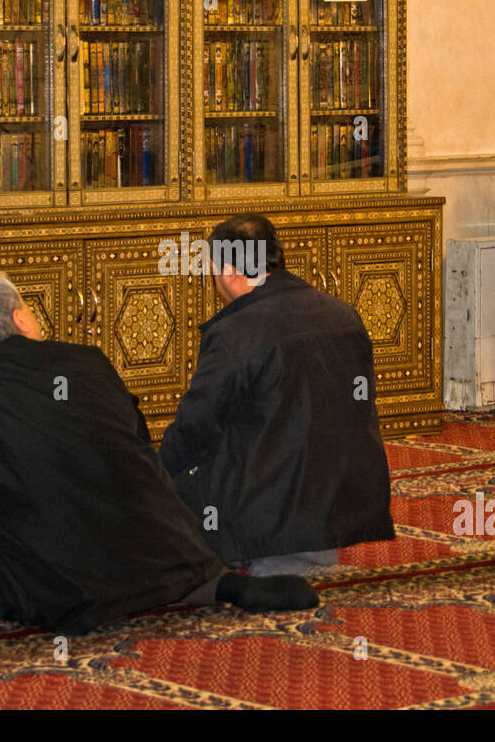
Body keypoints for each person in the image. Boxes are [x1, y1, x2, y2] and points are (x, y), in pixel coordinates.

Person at [0, 270, 318, 635]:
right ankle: (216, 583)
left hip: (52, 582)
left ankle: (85, 596)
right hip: (148, 548)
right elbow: (136, 446)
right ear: (20, 318)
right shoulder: (86, 361)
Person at [159, 213, 395, 575]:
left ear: (228, 271)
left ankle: (252, 547)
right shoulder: (344, 314)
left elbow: (196, 428)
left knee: (158, 495)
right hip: (341, 502)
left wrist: (155, 475)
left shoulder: (236, 331)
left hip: (269, 507)